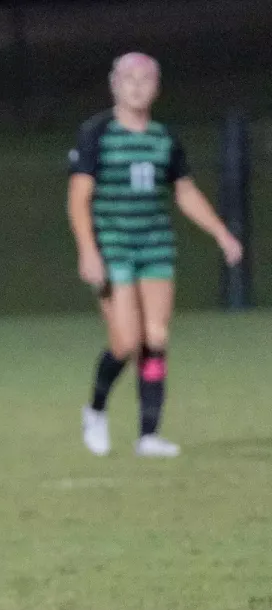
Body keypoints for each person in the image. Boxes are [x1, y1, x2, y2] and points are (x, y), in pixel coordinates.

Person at [68, 52, 243, 458]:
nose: (137, 85)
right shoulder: (97, 133)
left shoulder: (164, 139)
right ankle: (95, 409)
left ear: (157, 87)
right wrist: (87, 250)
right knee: (126, 341)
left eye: (145, 78)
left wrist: (221, 233)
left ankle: (149, 435)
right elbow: (79, 198)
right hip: (113, 245)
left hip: (156, 245)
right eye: (128, 78)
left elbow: (184, 191)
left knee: (157, 337)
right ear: (115, 84)